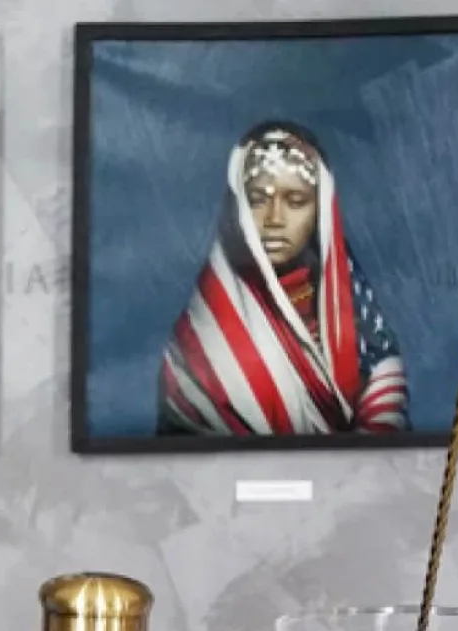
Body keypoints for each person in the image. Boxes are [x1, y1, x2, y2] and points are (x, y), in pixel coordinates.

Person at [158, 121, 409, 437]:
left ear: (320, 211)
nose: (275, 219)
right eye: (258, 200)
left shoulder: (356, 312)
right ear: (238, 208)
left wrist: (355, 455)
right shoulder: (201, 331)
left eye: (295, 201)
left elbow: (384, 399)